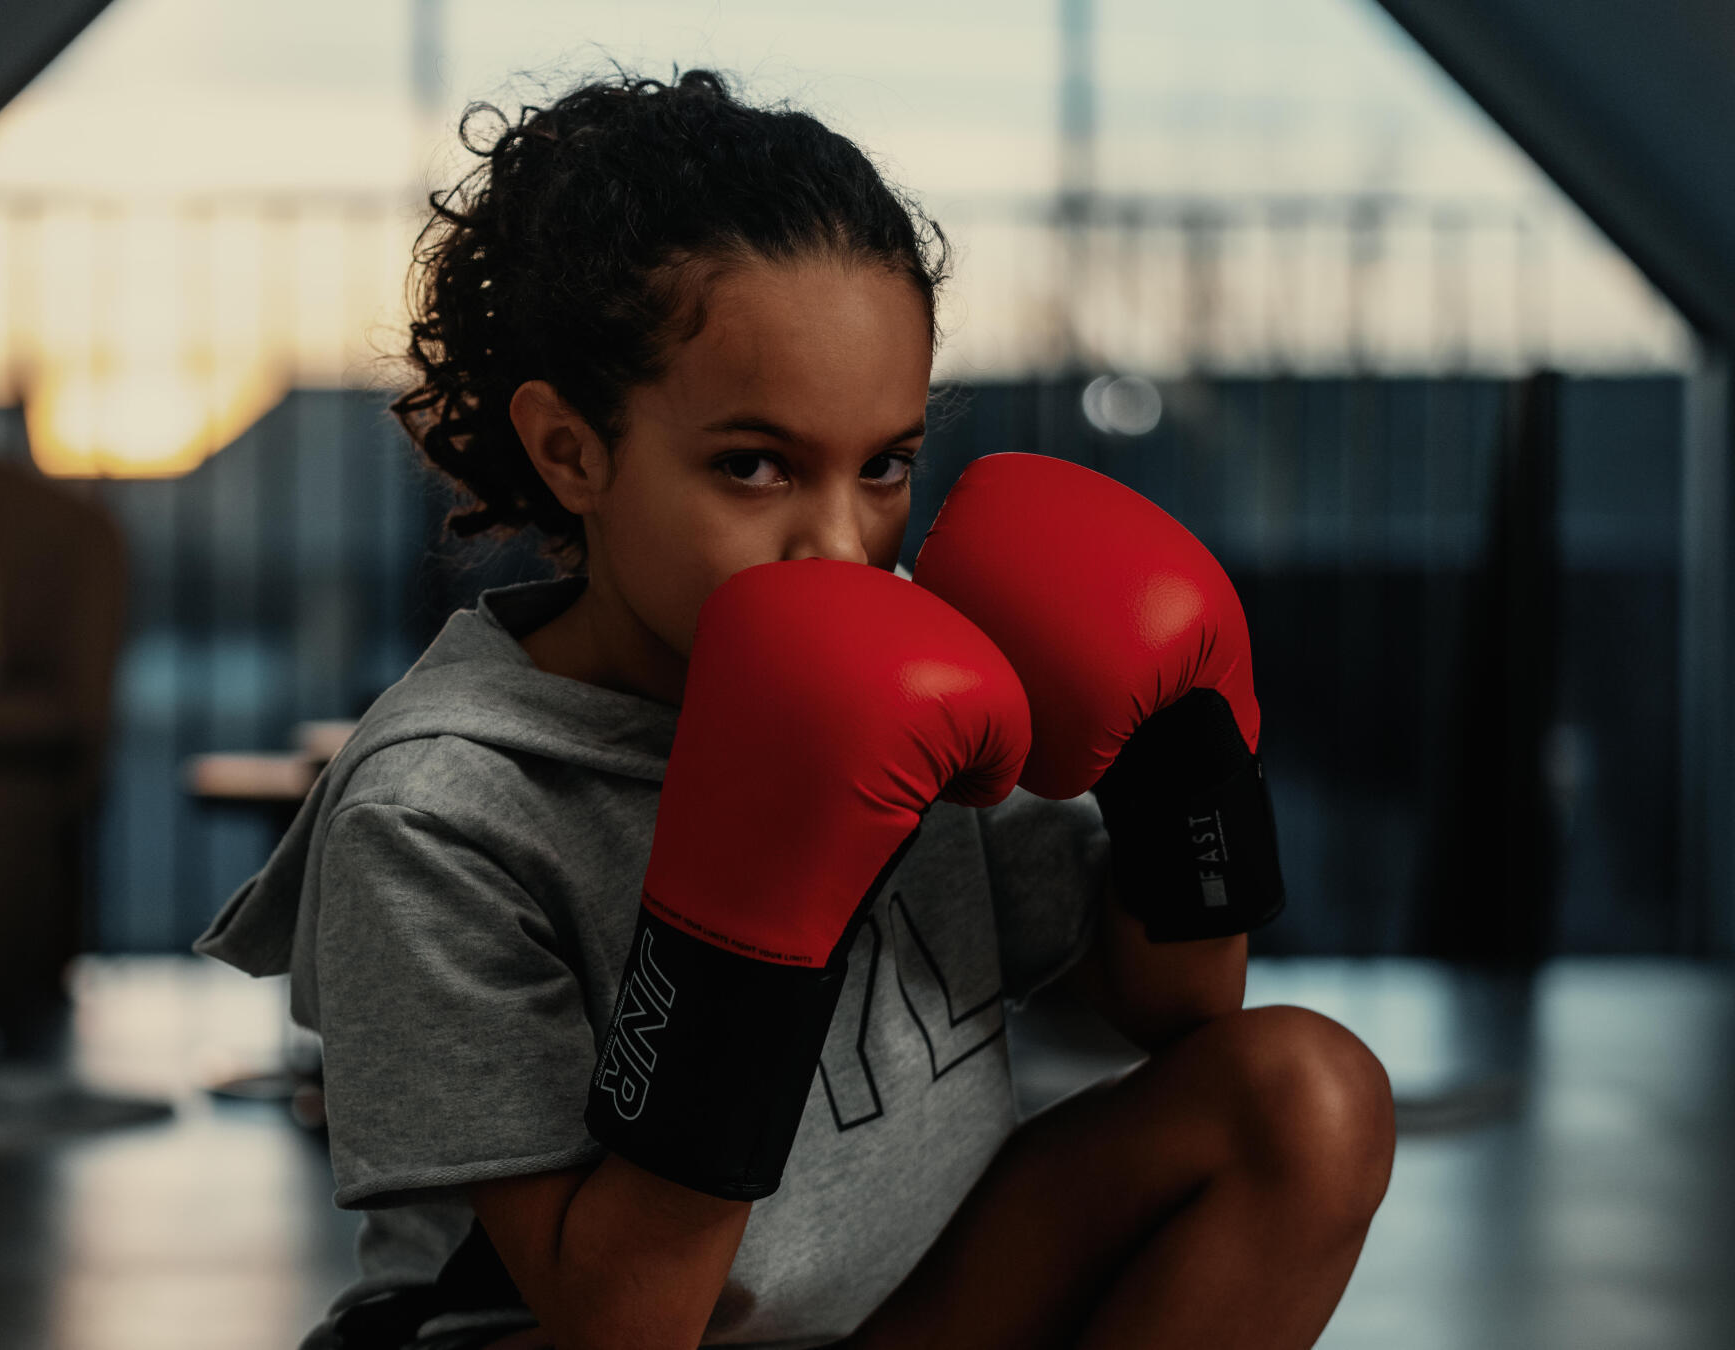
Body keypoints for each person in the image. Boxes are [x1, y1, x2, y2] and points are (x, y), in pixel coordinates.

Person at [192, 66, 1396, 1350]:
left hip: (892, 1314)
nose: (838, 545)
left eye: (883, 465)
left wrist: (1181, 761)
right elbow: (626, 1322)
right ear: (571, 451)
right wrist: (743, 935)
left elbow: (1177, 1012)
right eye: (753, 465)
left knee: (1302, 1095)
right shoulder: (441, 813)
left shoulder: (905, 686)